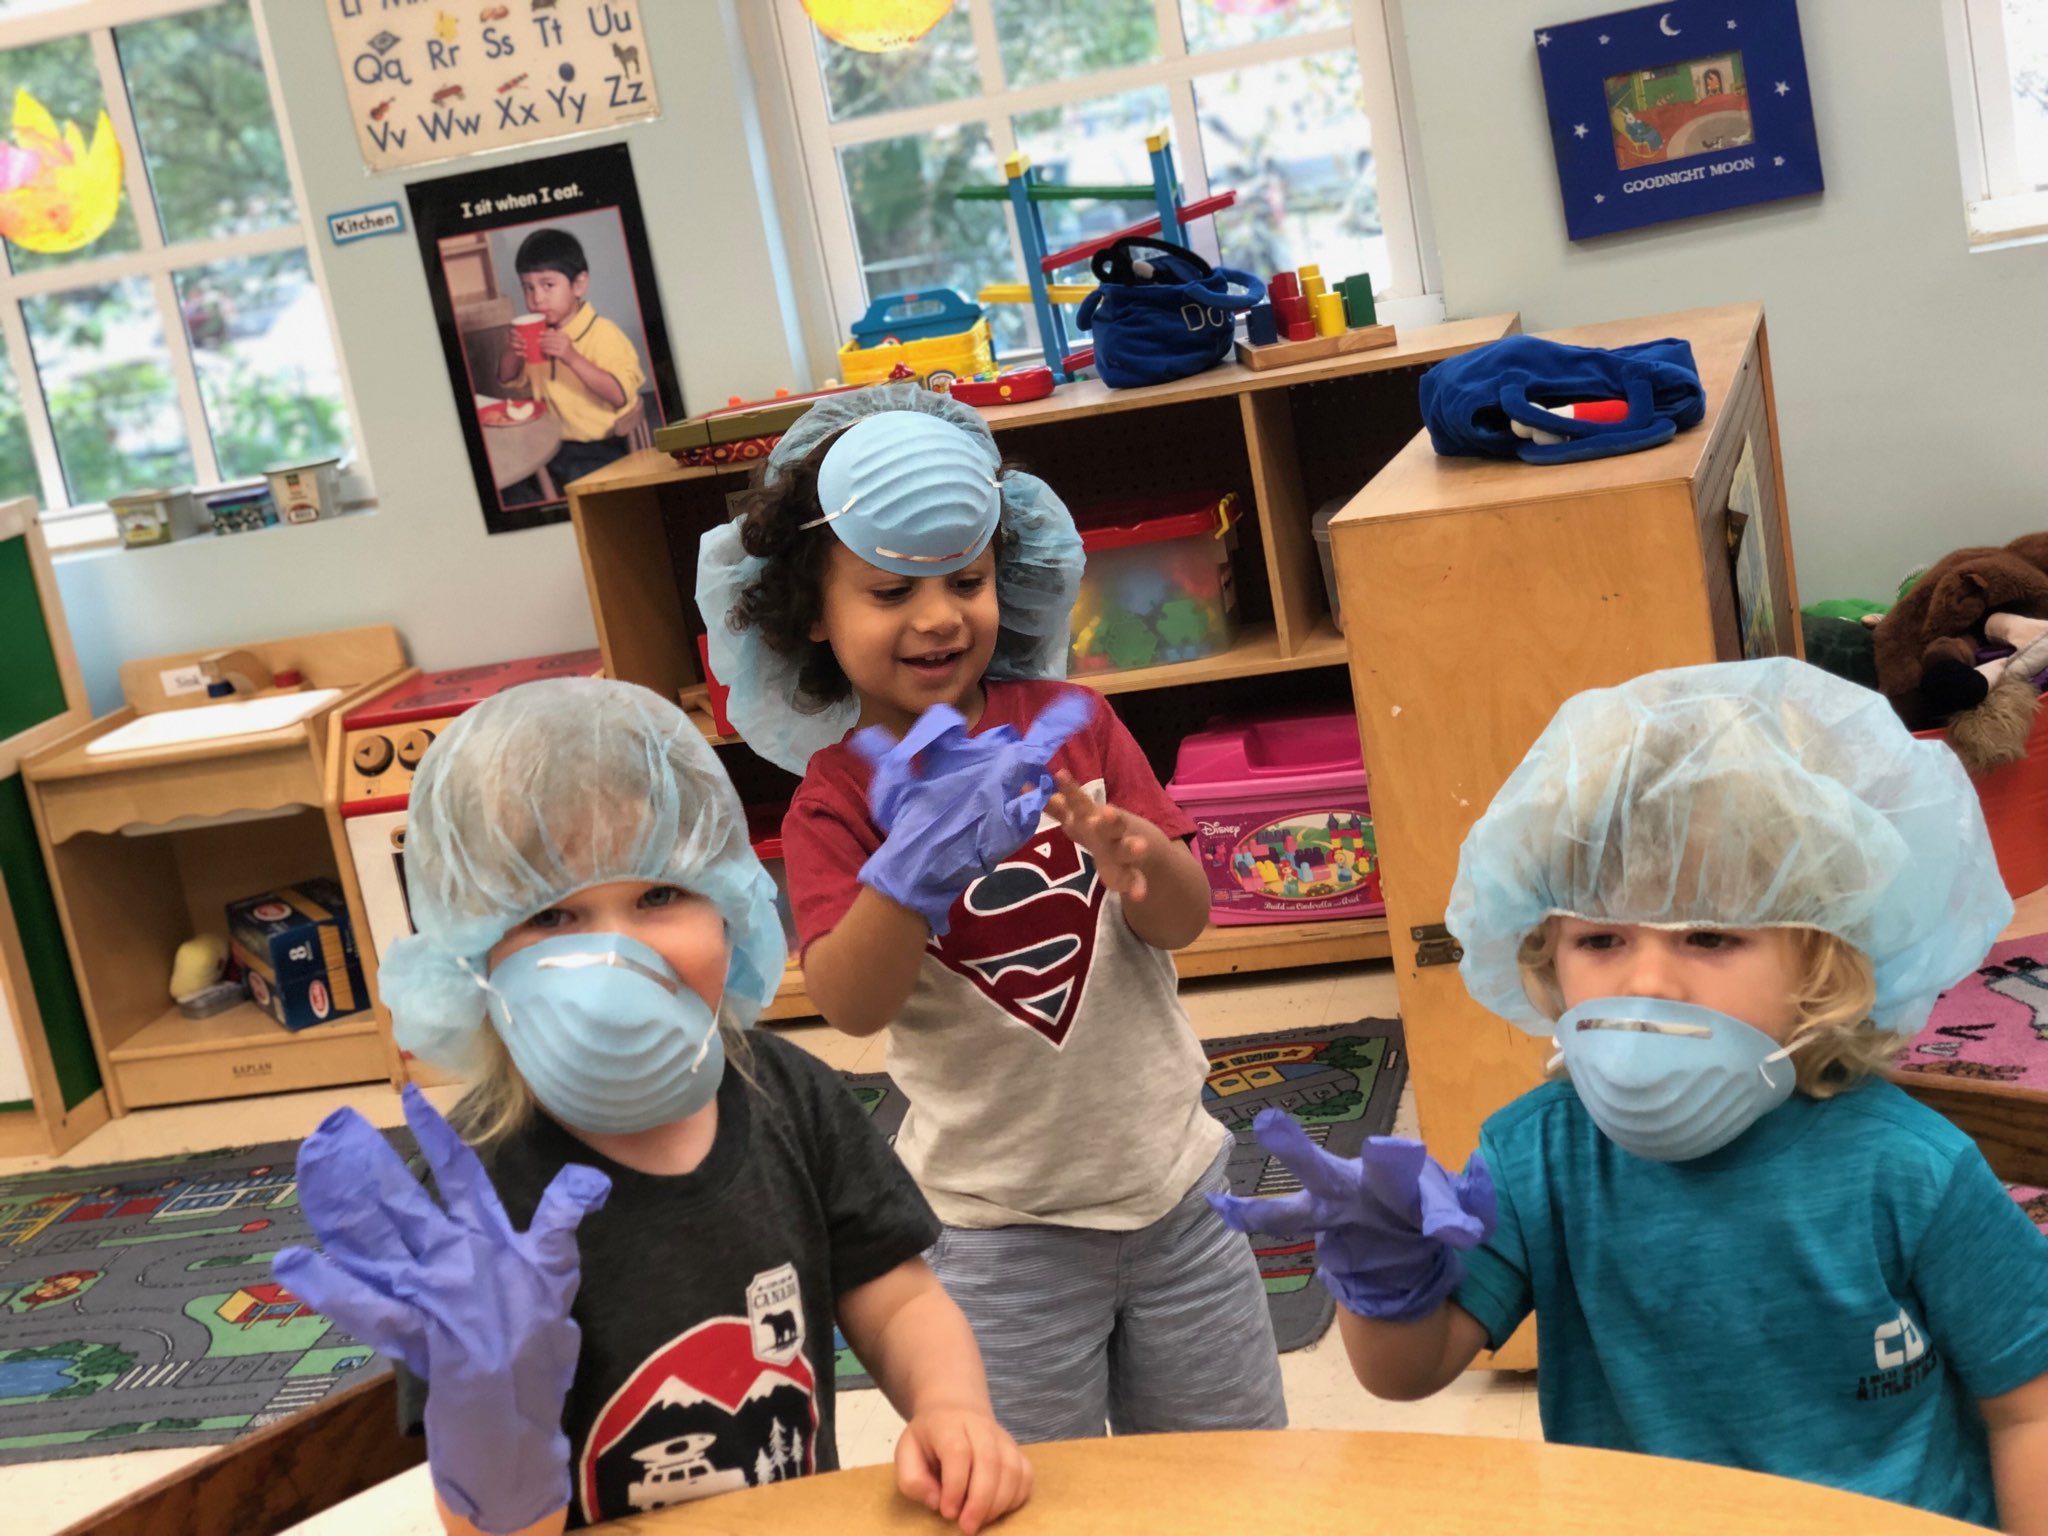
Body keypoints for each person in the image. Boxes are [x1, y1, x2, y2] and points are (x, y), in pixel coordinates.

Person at [1213, 659, 2048, 1531]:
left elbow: (2029, 1408)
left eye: (1710, 934)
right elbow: (1407, 1374)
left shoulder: (1913, 1170)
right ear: (1547, 953)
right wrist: (1382, 1275)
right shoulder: (1537, 1157)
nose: (1650, 982)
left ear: (1821, 956)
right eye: (1602, 937)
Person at [273, 678, 1029, 1536]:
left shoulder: (787, 1094)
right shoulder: (474, 1194)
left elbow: (895, 1297)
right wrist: (497, 1418)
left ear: (731, 908)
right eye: (554, 914)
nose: (617, 953)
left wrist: (951, 1406)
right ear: (471, 957)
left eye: (658, 896)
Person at [695, 385, 1287, 1444]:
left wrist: (1138, 858)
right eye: (887, 592)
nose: (935, 617)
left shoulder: (1075, 726)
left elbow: (1185, 920)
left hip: (1176, 1191)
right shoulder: (838, 797)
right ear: (811, 618)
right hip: (995, 1228)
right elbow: (847, 1001)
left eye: (963, 580)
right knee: (1031, 1492)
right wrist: (903, 883)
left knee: (1232, 1478)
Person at [497, 227, 647, 499]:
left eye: (548, 285)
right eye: (528, 288)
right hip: (549, 446)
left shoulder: (604, 334)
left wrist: (571, 357)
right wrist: (511, 351)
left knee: (584, 497)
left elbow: (619, 395)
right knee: (509, 489)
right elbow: (507, 379)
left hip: (600, 447)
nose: (537, 298)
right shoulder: (537, 333)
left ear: (578, 284)